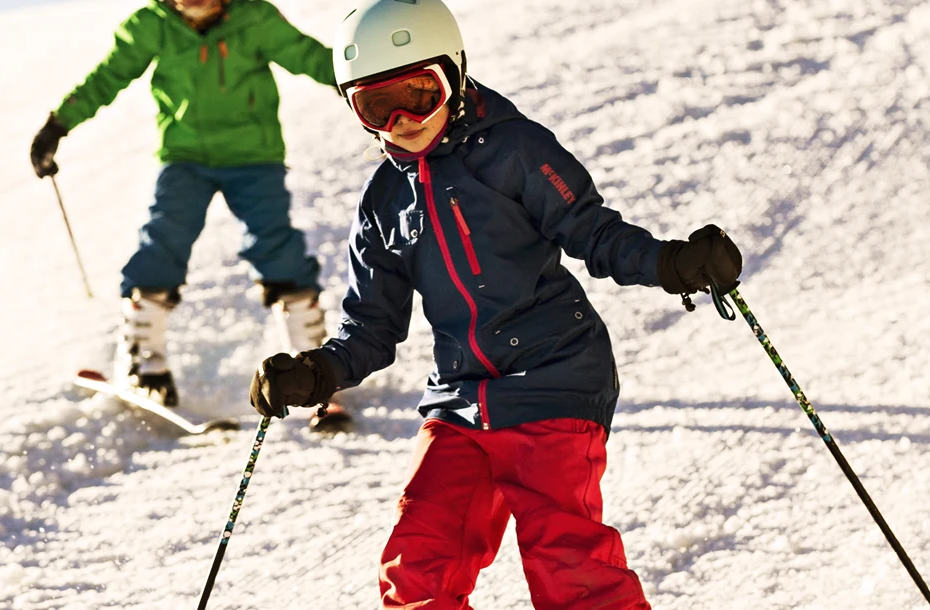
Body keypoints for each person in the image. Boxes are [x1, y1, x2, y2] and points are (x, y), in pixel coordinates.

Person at [249, 0, 742, 606]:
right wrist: (317, 371)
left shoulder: (514, 150)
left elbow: (592, 232)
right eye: (375, 106)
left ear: (453, 75)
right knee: (419, 567)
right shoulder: (383, 202)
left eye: (417, 94)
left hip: (554, 379)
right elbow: (371, 328)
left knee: (569, 567)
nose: (401, 120)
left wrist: (673, 264)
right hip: (461, 401)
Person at [29, 0, 351, 431]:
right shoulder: (153, 25)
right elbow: (108, 77)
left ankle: (314, 378)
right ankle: (146, 365)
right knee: (163, 241)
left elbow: (309, 56)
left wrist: (366, 86)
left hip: (254, 157)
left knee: (278, 250)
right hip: (184, 159)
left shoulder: (254, 18)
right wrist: (58, 125)